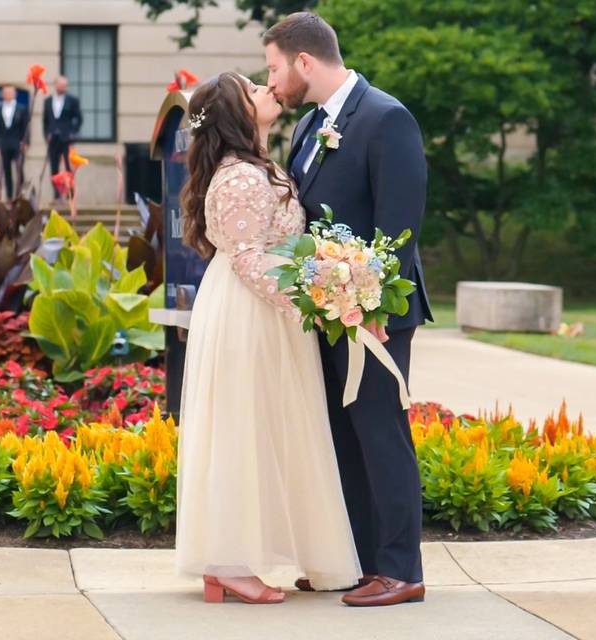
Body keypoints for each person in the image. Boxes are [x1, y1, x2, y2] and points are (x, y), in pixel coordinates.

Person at [264, 12, 432, 607]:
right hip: (325, 312)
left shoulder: (387, 119)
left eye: (275, 68)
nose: (273, 80)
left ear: (304, 62)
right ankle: (358, 563)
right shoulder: (309, 126)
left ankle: (400, 570)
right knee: (342, 437)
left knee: (382, 435)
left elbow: (399, 229)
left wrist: (369, 299)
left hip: (374, 316)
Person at [174, 71, 362, 605]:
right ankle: (228, 562)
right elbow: (250, 259)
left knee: (264, 430)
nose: (265, 89)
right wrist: (317, 301)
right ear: (237, 111)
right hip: (249, 313)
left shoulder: (254, 168)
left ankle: (232, 562)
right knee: (244, 429)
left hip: (263, 311)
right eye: (251, 87)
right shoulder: (239, 178)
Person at [42, 75, 82, 198]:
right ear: (56, 85)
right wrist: (46, 134)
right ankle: (56, 195)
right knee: (54, 167)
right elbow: (45, 121)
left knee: (68, 167)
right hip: (53, 139)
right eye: (61, 85)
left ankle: (70, 195)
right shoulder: (47, 101)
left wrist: (73, 133)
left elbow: (79, 119)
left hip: (66, 139)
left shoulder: (73, 100)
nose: (63, 87)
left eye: (65, 85)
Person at [0, 85, 28, 200]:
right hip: (4, 144)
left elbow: (26, 127)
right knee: (6, 171)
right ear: (2, 95)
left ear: (14, 94)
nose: (8, 95)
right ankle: (9, 195)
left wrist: (26, 142)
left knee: (19, 169)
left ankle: (21, 195)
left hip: (17, 143)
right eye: (6, 93)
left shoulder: (21, 108)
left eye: (10, 92)